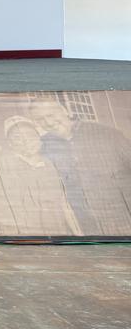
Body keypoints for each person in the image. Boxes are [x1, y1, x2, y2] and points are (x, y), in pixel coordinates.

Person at [33, 99, 131, 238]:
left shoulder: (106, 133)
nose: (48, 122)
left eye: (51, 115)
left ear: (65, 111)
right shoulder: (44, 146)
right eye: (40, 119)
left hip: (122, 219)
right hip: (85, 225)